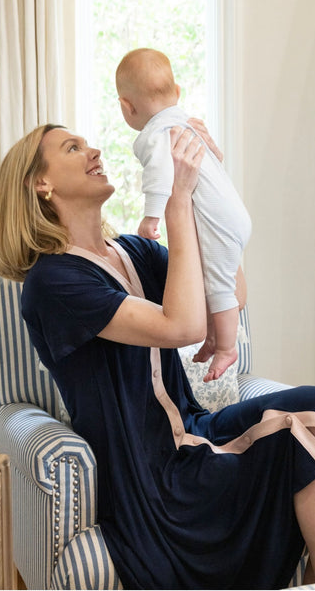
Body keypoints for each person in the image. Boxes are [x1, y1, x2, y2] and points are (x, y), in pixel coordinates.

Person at [0, 122, 315, 590]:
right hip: (152, 470)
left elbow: (232, 293)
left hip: (192, 430)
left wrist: (208, 189)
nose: (92, 150)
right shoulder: (52, 282)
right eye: (72, 148)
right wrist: (176, 201)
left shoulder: (134, 251)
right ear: (42, 184)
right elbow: (183, 327)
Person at [116, 47, 252, 382]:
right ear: (177, 93)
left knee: (219, 285)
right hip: (233, 212)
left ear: (126, 107)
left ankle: (226, 348)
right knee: (207, 280)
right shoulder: (187, 125)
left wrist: (151, 217)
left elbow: (160, 175)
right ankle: (212, 337)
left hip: (219, 218)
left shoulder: (154, 135)